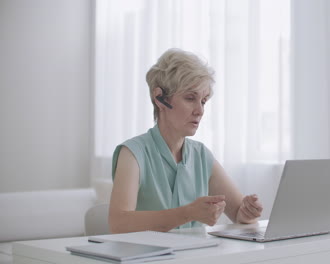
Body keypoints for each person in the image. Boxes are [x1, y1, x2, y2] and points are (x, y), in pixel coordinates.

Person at [109, 48, 263, 233]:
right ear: (159, 98)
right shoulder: (132, 153)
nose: (200, 111)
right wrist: (188, 213)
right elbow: (118, 223)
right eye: (190, 98)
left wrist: (247, 214)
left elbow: (238, 212)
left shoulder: (201, 155)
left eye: (203, 101)